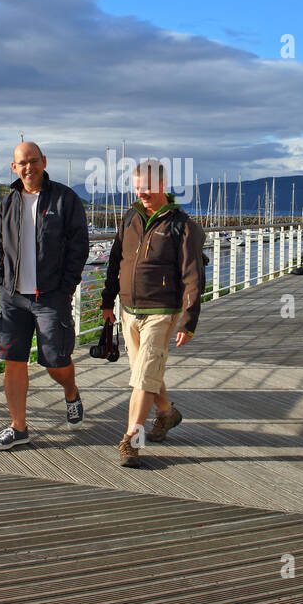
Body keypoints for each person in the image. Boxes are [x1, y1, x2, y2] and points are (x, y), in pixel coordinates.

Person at [0, 141, 89, 450]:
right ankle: (19, 428)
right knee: (13, 361)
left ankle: (70, 391)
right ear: (14, 168)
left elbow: (79, 246)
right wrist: (0, 282)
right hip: (13, 298)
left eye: (33, 160)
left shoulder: (65, 199)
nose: (28, 166)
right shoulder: (8, 202)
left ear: (44, 161)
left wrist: (66, 286)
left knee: (57, 362)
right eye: (22, 162)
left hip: (50, 297)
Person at [101, 159, 203, 467]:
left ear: (162, 185)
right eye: (137, 187)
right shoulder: (130, 217)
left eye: (148, 187)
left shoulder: (181, 224)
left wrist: (189, 319)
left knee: (142, 377)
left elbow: (193, 275)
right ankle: (166, 413)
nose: (142, 193)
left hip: (161, 310)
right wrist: (108, 302)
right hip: (130, 309)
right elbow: (116, 260)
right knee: (144, 373)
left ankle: (132, 439)